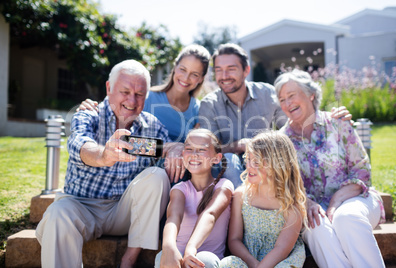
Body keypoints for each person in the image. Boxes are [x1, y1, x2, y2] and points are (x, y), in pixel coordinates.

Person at [36, 59, 184, 268]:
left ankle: (129, 259)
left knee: (157, 176)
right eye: (125, 91)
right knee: (57, 213)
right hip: (82, 206)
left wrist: (175, 148)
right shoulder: (88, 115)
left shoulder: (153, 126)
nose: (132, 101)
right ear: (109, 88)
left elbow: (165, 147)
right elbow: (80, 146)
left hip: (123, 213)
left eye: (140, 94)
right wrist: (103, 155)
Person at [198, 43, 352, 188]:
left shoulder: (268, 93)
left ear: (246, 70)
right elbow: (210, 151)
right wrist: (236, 146)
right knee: (230, 161)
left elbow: (293, 127)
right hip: (229, 172)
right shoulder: (209, 104)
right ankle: (245, 210)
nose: (224, 76)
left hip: (266, 161)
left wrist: (331, 120)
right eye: (219, 70)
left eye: (231, 69)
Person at [274, 69, 385, 268]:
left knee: (346, 217)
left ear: (310, 93)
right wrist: (306, 202)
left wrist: (335, 202)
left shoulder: (338, 123)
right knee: (316, 228)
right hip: (312, 209)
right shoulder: (282, 140)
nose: (287, 103)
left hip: (356, 198)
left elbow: (361, 170)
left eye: (291, 95)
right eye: (282, 99)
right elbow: (286, 184)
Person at [79, 44, 210, 143]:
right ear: (175, 67)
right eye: (183, 69)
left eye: (195, 74)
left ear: (201, 79)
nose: (186, 78)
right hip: (143, 169)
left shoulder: (199, 110)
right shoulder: (144, 97)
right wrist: (91, 106)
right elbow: (117, 133)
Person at [220, 131, 307, 268]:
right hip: (248, 259)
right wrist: (252, 263)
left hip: (278, 261)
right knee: (227, 264)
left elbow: (281, 249)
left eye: (256, 162)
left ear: (277, 165)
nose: (249, 166)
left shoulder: (291, 205)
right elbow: (234, 239)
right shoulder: (241, 196)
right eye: (248, 159)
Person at [155, 129, 234, 268]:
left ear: (216, 158)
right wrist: (168, 246)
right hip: (178, 256)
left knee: (206, 260)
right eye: (189, 149)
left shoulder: (224, 186)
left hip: (202, 257)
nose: (194, 154)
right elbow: (173, 217)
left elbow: (210, 214)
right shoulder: (180, 189)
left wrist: (191, 249)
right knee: (161, 256)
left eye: (201, 149)